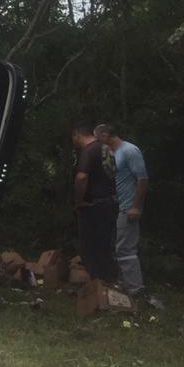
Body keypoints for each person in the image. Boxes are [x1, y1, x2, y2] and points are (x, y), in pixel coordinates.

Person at [96, 124, 150, 296]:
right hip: (116, 207)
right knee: (117, 247)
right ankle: (124, 283)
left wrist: (136, 207)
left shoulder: (130, 150)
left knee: (126, 249)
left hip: (128, 207)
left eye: (98, 140)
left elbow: (142, 180)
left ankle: (135, 289)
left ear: (105, 135)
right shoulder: (113, 153)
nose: (98, 144)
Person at [71, 122, 120, 285]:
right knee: (105, 248)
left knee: (90, 249)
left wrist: (79, 200)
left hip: (94, 206)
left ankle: (96, 287)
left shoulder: (89, 150)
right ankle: (108, 284)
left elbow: (82, 177)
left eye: (74, 138)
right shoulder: (105, 148)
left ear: (77, 135)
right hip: (110, 203)